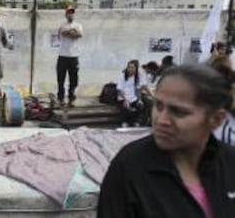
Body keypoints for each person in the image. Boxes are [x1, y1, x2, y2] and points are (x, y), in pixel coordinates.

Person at [98, 64, 235, 218]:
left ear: (216, 119)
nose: (161, 120)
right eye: (158, 105)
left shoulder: (230, 163)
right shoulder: (130, 166)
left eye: (179, 112)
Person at [56, 6, 83, 107]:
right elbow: (62, 33)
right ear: (65, 14)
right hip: (62, 55)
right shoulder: (62, 25)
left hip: (74, 56)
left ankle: (71, 98)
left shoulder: (78, 25)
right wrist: (71, 32)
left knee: (73, 79)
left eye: (72, 13)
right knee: (60, 79)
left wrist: (71, 33)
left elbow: (79, 34)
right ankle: (60, 98)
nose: (70, 14)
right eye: (68, 13)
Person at [116, 60, 149, 126]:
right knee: (126, 107)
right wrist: (125, 99)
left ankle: (136, 122)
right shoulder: (122, 76)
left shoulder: (137, 77)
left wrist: (140, 99)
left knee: (139, 106)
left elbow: (138, 90)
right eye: (129, 67)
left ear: (136, 69)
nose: (130, 69)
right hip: (123, 97)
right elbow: (119, 90)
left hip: (133, 98)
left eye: (132, 67)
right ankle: (125, 122)